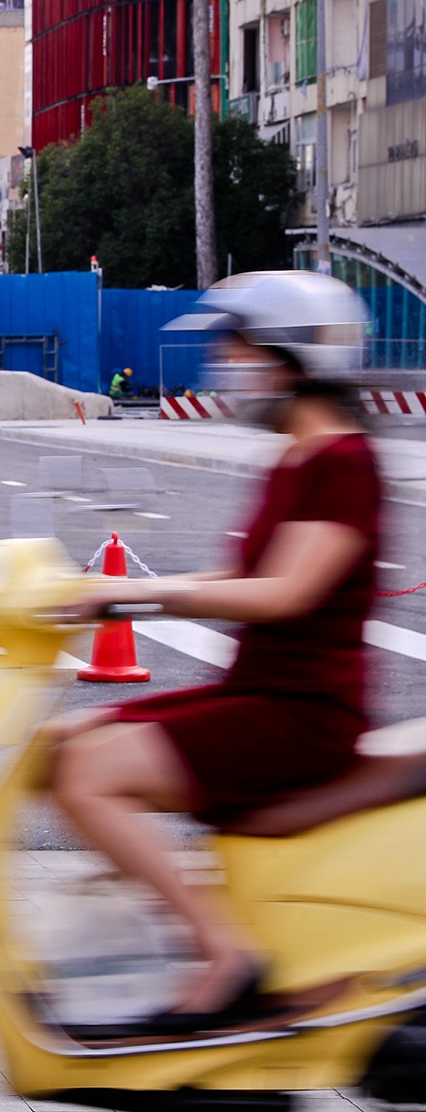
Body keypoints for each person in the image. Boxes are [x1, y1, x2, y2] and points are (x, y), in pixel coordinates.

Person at [49, 271, 380, 1035]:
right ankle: (158, 930)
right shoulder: (298, 459)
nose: (226, 366)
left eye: (238, 348)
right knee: (54, 743)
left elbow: (285, 592)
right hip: (259, 691)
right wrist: (115, 590)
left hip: (301, 713)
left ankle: (222, 951)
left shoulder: (342, 463)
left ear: (291, 358)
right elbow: (238, 577)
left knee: (89, 773)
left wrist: (139, 596)